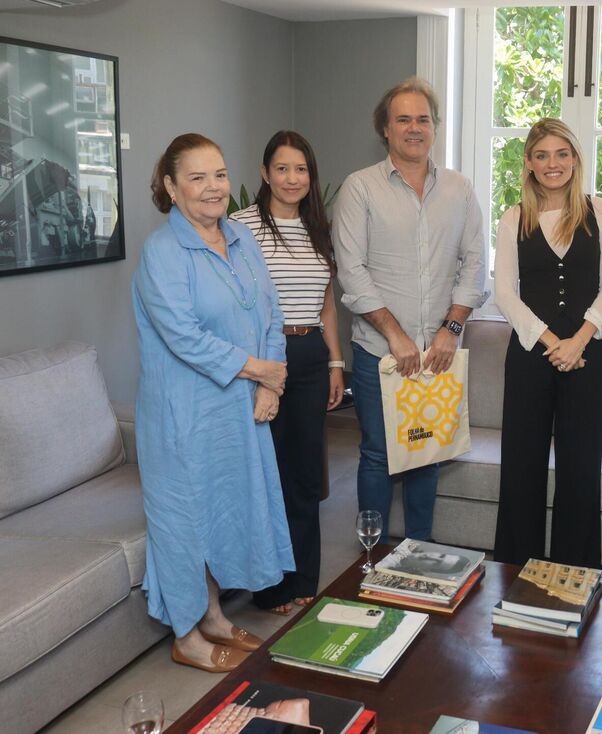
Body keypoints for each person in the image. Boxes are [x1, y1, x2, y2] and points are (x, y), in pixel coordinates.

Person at [133, 133, 295, 672]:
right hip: (185, 412)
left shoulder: (241, 237)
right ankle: (187, 634)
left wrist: (270, 383)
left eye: (220, 175)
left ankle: (216, 616)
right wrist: (261, 371)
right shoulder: (162, 252)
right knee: (187, 520)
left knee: (226, 509)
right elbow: (183, 335)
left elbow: (269, 311)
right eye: (197, 177)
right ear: (171, 187)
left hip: (240, 404)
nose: (213, 188)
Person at [332, 77, 487, 542]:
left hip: (438, 352)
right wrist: (396, 336)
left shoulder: (459, 189)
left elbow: (476, 261)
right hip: (380, 352)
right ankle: (371, 557)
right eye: (404, 119)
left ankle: (420, 553)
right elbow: (351, 270)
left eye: (423, 119)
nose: (414, 128)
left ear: (435, 127)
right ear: (385, 128)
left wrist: (451, 328)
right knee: (378, 455)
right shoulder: (359, 188)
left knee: (428, 455)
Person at [492, 118, 602, 568]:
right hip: (530, 357)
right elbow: (504, 293)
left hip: (588, 355)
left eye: (561, 154)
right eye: (542, 155)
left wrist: (579, 340)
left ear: (575, 159)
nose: (553, 164)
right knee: (522, 468)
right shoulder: (512, 219)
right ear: (528, 163)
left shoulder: (600, 212)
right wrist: (552, 342)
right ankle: (514, 571)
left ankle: (576, 576)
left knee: (579, 470)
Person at [231, 131, 344, 615]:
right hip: (263, 361)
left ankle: (303, 580)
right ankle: (268, 586)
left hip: (311, 356)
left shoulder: (320, 227)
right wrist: (256, 372)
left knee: (303, 474)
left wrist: (336, 362)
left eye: (301, 169)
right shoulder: (241, 226)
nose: (292, 178)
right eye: (282, 168)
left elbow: (327, 304)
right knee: (267, 473)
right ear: (264, 173)